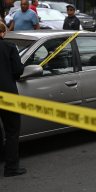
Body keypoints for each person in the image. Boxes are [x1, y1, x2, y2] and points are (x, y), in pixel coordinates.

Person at [0, 21, 26, 177]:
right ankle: (11, 168)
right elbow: (18, 71)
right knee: (11, 131)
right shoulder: (9, 47)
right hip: (7, 95)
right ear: (3, 33)